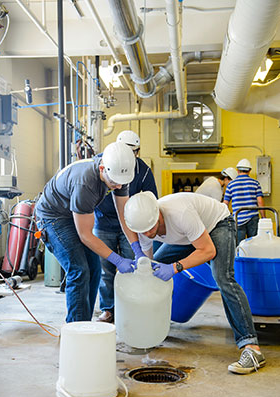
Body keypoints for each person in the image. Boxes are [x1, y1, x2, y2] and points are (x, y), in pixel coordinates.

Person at [123, 191, 265, 374]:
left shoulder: (180, 213)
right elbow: (150, 265)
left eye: (151, 227)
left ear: (158, 213)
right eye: (143, 231)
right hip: (187, 235)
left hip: (217, 224)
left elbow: (207, 251)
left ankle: (251, 347)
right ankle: (154, 328)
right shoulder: (142, 224)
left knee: (223, 278)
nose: (149, 233)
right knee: (155, 270)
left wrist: (175, 267)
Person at [35, 141, 138, 323]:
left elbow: (124, 217)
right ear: (102, 168)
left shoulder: (119, 175)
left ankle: (85, 323)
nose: (119, 187)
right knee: (79, 270)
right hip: (53, 217)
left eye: (123, 183)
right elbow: (86, 235)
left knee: (94, 268)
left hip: (71, 211)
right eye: (114, 182)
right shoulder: (85, 182)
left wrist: (137, 249)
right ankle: (76, 329)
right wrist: (117, 259)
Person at [93, 130, 158, 323]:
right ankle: (108, 309)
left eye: (133, 152)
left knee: (134, 265)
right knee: (106, 268)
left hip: (130, 224)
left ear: (138, 152)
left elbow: (151, 199)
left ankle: (132, 307)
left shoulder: (143, 170)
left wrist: (144, 242)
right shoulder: (101, 163)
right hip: (103, 222)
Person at [224, 158, 265, 244]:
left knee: (239, 245)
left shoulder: (231, 184)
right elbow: (260, 202)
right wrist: (263, 217)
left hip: (238, 218)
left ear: (237, 170)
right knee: (253, 244)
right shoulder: (255, 183)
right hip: (253, 217)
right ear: (249, 170)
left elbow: (225, 204)